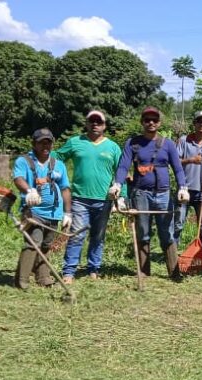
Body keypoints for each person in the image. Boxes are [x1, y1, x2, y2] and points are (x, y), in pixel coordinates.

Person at [108, 107, 187, 279]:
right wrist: (117, 185)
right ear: (142, 122)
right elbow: (123, 166)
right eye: (147, 119)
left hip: (163, 194)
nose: (151, 122)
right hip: (141, 194)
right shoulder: (132, 143)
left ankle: (174, 273)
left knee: (167, 233)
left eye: (154, 119)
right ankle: (144, 272)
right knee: (143, 231)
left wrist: (182, 187)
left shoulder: (168, 144)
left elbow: (178, 169)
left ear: (159, 122)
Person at [55, 110, 122, 284]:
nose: (95, 124)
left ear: (104, 125)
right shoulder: (75, 142)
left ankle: (94, 268)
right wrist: (39, 156)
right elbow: (57, 156)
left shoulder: (113, 147)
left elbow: (121, 172)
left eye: (98, 122)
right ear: (86, 123)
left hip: (104, 200)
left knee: (98, 236)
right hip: (79, 198)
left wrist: (123, 197)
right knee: (77, 235)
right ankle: (69, 271)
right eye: (91, 121)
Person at [12, 128, 71, 289]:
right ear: (34, 144)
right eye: (41, 142)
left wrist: (67, 213)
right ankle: (21, 280)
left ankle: (43, 277)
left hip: (54, 213)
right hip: (32, 212)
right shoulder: (24, 161)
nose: (45, 145)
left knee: (46, 244)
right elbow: (18, 178)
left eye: (48, 142)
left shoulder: (58, 165)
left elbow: (65, 188)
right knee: (33, 242)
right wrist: (29, 190)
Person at [173, 111, 202, 263]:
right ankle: (172, 256)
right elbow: (174, 161)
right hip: (184, 189)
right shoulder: (184, 140)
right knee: (179, 224)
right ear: (194, 123)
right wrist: (191, 160)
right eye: (199, 121)